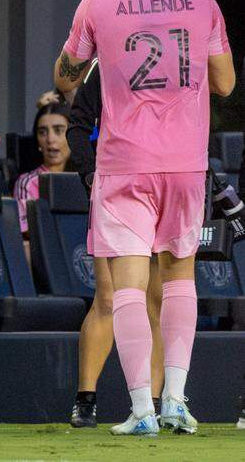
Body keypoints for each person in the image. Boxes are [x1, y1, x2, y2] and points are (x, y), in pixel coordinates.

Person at [53, 0, 234, 436]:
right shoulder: (202, 0)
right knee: (179, 280)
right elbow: (224, 83)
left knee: (128, 288)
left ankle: (141, 409)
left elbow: (65, 75)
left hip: (123, 163)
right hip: (185, 162)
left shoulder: (99, 2)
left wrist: (82, 63)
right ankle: (176, 400)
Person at [65, 58, 166, 429]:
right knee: (109, 297)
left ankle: (150, 405)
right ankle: (85, 400)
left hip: (166, 186)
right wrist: (91, 174)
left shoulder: (173, 58)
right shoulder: (104, 61)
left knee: (154, 301)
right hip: (118, 189)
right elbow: (78, 127)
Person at [13, 102, 72, 237]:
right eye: (42, 132)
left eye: (58, 131)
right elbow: (26, 233)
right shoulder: (27, 183)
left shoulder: (90, 178)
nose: (50, 139)